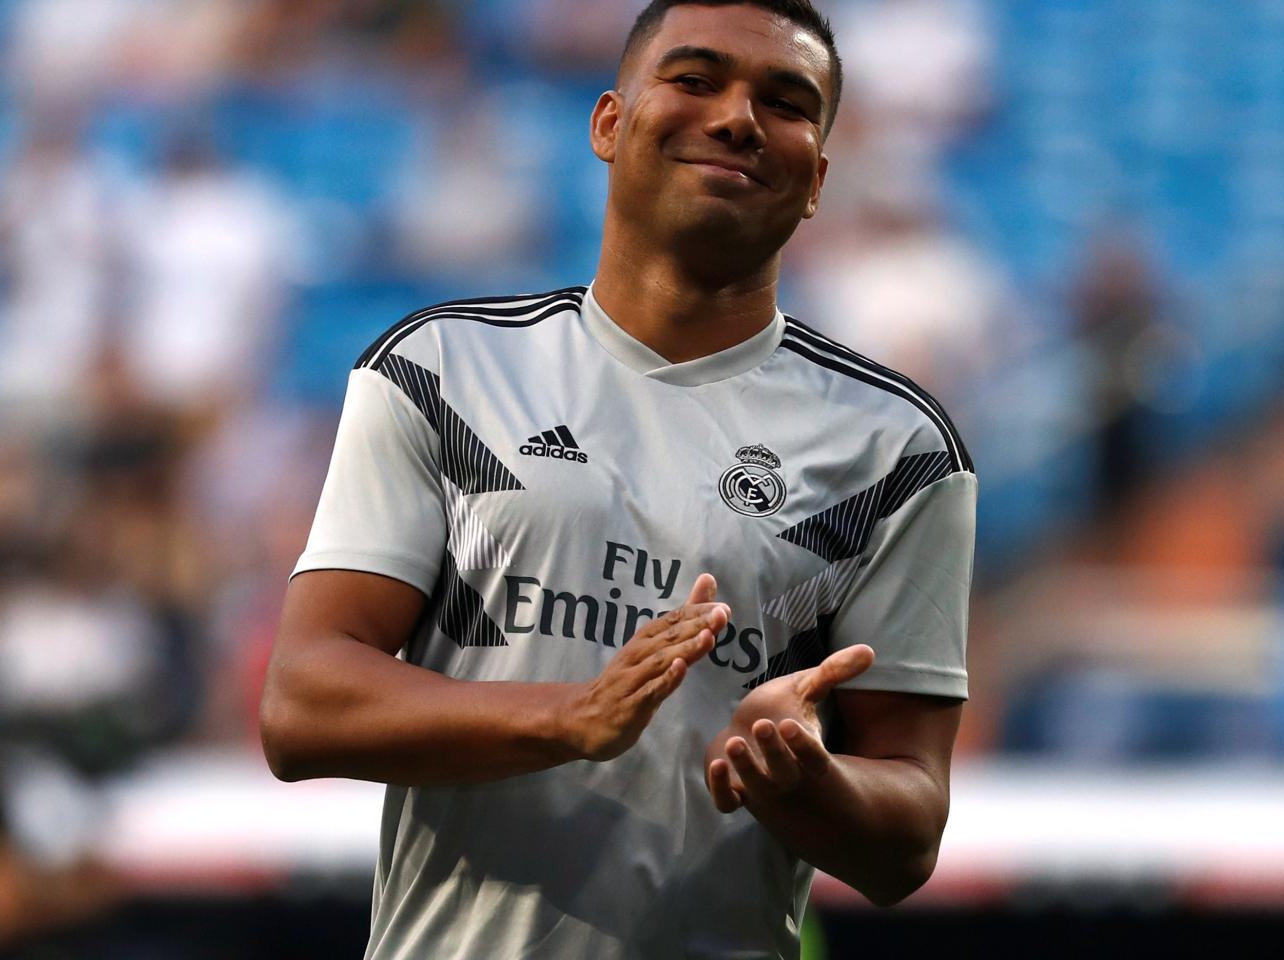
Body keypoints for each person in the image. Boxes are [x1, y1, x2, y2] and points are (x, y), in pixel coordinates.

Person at [259, 2, 977, 957]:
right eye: (694, 79)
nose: (736, 117)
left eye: (785, 100)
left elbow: (910, 835)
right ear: (608, 122)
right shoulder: (441, 370)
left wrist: (806, 780)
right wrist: (566, 713)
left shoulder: (898, 450)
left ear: (817, 180)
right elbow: (303, 704)